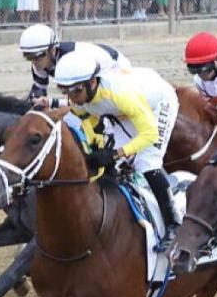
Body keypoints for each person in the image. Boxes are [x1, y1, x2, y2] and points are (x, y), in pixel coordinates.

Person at [53, 48, 180, 247]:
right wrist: (96, 146)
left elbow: (150, 134)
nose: (73, 98)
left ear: (92, 82)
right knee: (112, 165)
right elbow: (86, 117)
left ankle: (174, 224)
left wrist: (116, 152)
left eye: (76, 91)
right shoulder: (81, 94)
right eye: (65, 91)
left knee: (146, 162)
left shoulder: (119, 94)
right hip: (123, 112)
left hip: (157, 104)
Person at [18, 23, 131, 108]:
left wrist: (52, 102)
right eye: (28, 57)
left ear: (52, 50)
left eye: (38, 56)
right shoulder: (41, 62)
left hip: (116, 68)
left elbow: (83, 101)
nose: (34, 62)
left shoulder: (73, 62)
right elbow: (37, 95)